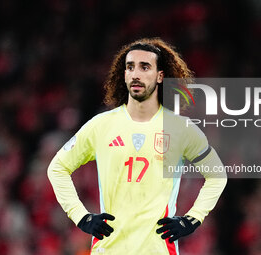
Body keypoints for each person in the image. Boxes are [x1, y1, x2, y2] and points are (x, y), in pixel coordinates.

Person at [48, 38, 227, 254]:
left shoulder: (182, 129)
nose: (135, 74)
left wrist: (192, 219)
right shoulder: (101, 125)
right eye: (130, 67)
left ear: (160, 76)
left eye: (145, 67)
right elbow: (57, 168)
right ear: (123, 75)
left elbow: (217, 174)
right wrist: (81, 216)